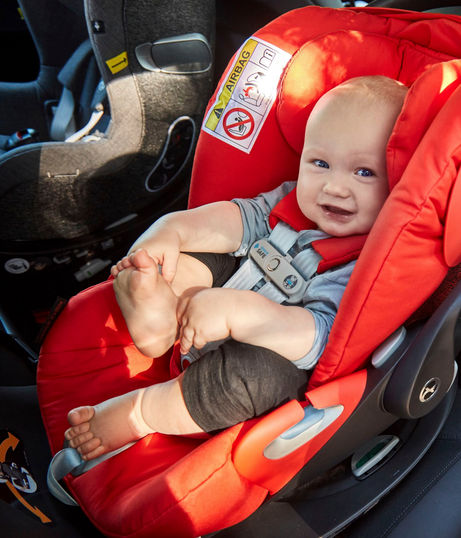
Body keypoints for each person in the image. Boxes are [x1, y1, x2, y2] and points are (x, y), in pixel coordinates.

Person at [64, 76, 408, 461]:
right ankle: (158, 316)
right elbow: (235, 220)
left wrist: (241, 314)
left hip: (264, 359)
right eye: (320, 163)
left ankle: (143, 412)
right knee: (204, 254)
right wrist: (171, 232)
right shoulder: (290, 202)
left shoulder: (373, 261)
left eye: (364, 173)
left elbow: (323, 338)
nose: (334, 187)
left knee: (260, 377)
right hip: (207, 313)